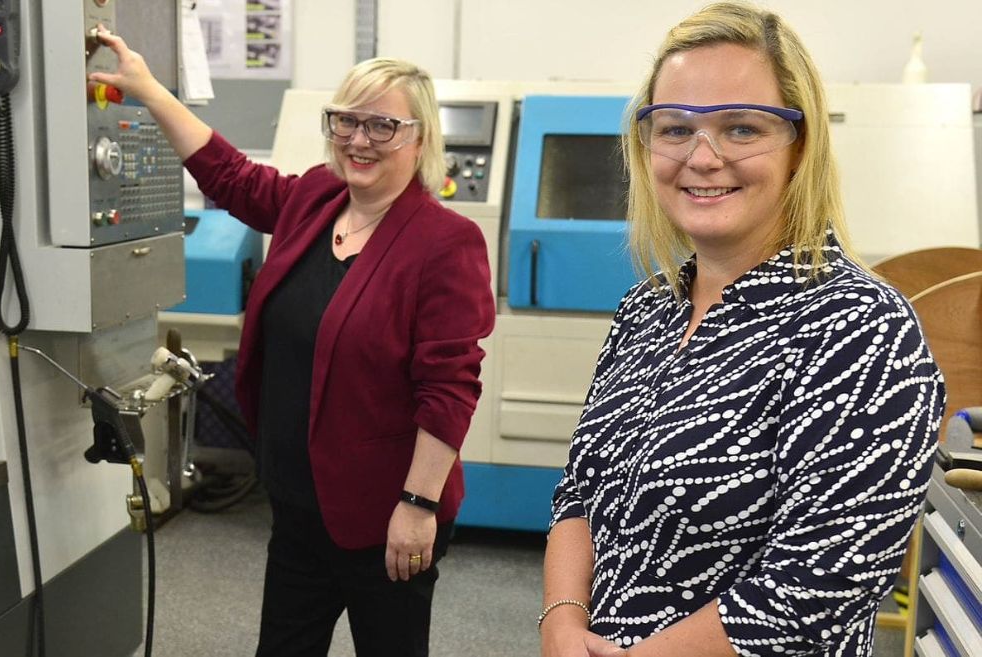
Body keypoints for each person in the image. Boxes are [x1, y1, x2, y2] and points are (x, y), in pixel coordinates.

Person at [540, 4, 945, 656]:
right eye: (674, 128)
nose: (702, 157)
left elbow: (814, 586)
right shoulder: (646, 310)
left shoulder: (865, 332)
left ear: (800, 145)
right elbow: (580, 491)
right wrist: (561, 620)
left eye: (740, 128)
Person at [90, 30, 495, 657]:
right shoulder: (315, 198)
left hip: (382, 515)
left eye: (382, 125)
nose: (360, 140)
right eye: (346, 121)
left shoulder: (446, 242)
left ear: (420, 137)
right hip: (298, 501)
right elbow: (231, 176)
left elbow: (449, 388)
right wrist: (145, 88)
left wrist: (418, 503)